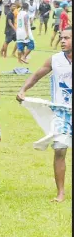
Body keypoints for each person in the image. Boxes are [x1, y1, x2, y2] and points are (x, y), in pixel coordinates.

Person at [16, 27, 72, 202]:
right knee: (59, 149)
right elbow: (36, 75)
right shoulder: (55, 60)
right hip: (62, 113)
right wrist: (23, 90)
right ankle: (61, 193)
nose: (62, 41)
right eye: (61, 38)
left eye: (67, 38)